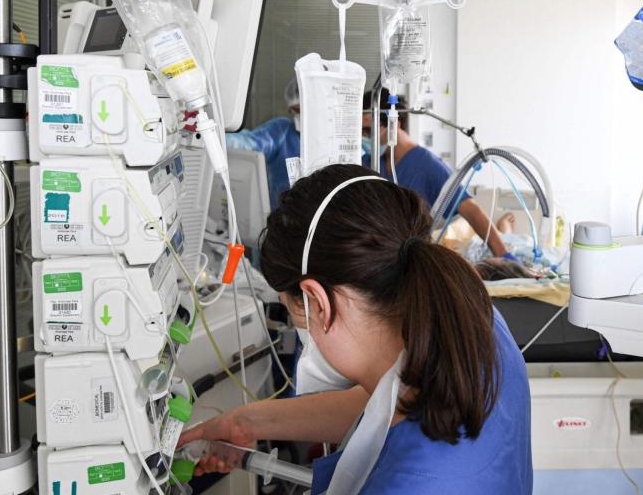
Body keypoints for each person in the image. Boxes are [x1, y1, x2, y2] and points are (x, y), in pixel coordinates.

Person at [178, 164, 532, 494]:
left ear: (317, 301)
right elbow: (385, 404)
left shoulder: (410, 484)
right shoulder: (472, 322)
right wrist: (247, 423)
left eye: (294, 316)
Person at [362, 90, 511, 258]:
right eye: (361, 132)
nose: (363, 138)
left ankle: (505, 229)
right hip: (377, 252)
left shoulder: (426, 164)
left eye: (368, 131)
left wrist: (503, 254)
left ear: (393, 125)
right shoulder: (370, 161)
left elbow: (471, 211)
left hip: (411, 257)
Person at [225, 79, 301, 209]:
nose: (301, 114)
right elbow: (249, 143)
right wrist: (214, 137)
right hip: (283, 215)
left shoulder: (340, 135)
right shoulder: (282, 130)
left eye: (305, 108)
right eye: (296, 110)